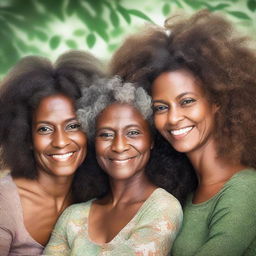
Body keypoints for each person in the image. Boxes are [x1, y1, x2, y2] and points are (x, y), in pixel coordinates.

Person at [109, 10, 256, 256]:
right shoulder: (186, 195)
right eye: (161, 107)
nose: (173, 118)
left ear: (217, 101)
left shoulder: (245, 188)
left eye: (186, 101)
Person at [44, 77, 186, 255]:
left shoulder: (163, 208)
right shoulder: (73, 216)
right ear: (93, 142)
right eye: (106, 135)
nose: (119, 146)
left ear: (151, 140)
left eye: (133, 133)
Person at [0, 50, 105, 255]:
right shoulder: (5, 203)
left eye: (73, 126)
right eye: (45, 129)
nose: (60, 141)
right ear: (25, 137)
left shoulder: (98, 192)